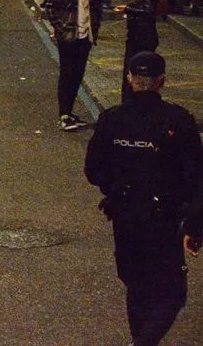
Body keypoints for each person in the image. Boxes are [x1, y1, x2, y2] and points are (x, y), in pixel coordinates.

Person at [85, 52, 203, 346]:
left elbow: (93, 171)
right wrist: (194, 225)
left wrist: (116, 187)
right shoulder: (179, 120)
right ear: (162, 81)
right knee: (172, 293)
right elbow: (196, 178)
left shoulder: (112, 119)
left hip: (124, 214)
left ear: (129, 80)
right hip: (164, 218)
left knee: (136, 285)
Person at [43, 0, 103, 131]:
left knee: (77, 75)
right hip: (68, 36)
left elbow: (96, 9)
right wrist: (61, 30)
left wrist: (95, 29)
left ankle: (69, 112)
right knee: (67, 74)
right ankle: (63, 114)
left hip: (86, 37)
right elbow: (51, 8)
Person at [114, 0, 161, 104]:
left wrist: (127, 10)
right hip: (134, 35)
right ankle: (129, 102)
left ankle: (136, 102)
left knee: (139, 71)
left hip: (144, 36)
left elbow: (148, 11)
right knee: (129, 71)